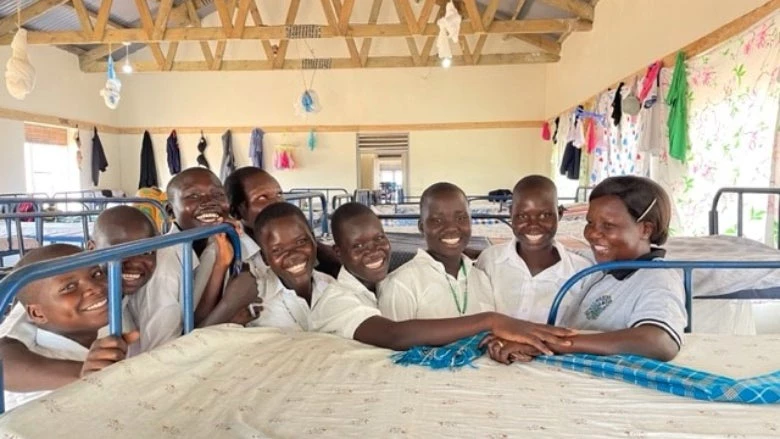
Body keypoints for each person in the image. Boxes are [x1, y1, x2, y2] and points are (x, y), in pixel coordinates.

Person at [311, 202, 575, 353]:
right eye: (358, 246)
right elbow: (394, 335)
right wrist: (491, 321)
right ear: (338, 251)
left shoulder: (478, 273)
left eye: (380, 238)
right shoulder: (337, 299)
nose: (373, 251)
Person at [488, 176, 686, 362]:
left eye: (608, 226)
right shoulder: (604, 265)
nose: (592, 234)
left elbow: (659, 341)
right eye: (590, 222)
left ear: (645, 229)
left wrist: (547, 344)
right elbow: (548, 253)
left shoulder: (658, 277)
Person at [0, 245, 137, 411]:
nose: (95, 287)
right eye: (69, 287)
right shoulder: (35, 388)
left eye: (96, 274)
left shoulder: (107, 312)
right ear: (37, 314)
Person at [477, 175, 590, 323]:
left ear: (560, 214)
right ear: (511, 213)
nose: (533, 225)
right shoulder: (490, 260)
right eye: (523, 216)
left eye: (545, 215)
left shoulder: (581, 272)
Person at [379, 182, 498, 320]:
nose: (451, 228)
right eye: (437, 220)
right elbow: (395, 338)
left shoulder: (482, 279)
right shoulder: (401, 284)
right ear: (422, 227)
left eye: (461, 218)